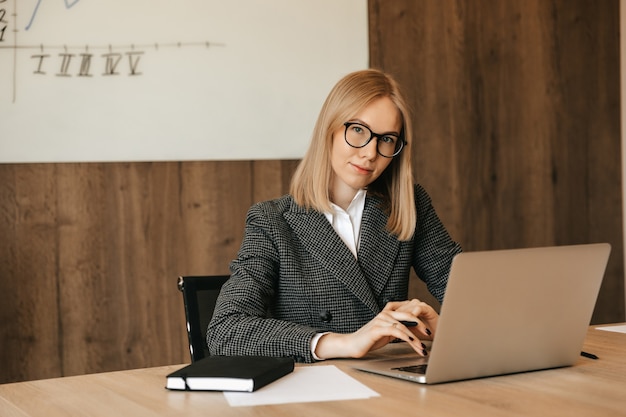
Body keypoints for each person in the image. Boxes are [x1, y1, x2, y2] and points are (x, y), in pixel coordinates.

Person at [207, 69, 462, 363]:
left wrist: (440, 327)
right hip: (313, 395)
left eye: (387, 139)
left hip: (389, 386)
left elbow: (467, 295)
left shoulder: (409, 205)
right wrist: (344, 343)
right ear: (329, 128)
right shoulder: (272, 221)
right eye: (357, 130)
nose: (370, 153)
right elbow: (226, 330)